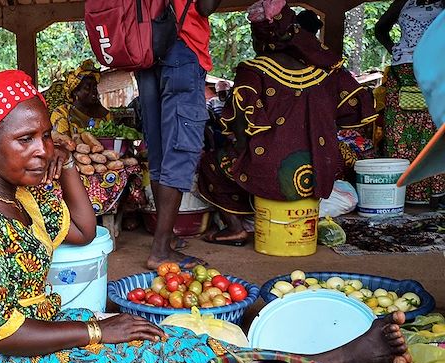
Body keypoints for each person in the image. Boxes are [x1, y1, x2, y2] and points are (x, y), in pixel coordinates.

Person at [0, 70, 412, 363]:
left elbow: (85, 230)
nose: (40, 149)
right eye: (25, 139)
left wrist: (64, 162)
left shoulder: (24, 200)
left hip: (36, 331)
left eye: (46, 135)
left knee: (176, 342)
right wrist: (95, 333)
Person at [197, 1, 378, 245]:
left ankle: (235, 228)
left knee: (212, 163)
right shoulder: (326, 71)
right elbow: (355, 107)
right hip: (318, 173)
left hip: (271, 173)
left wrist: (242, 147)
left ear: (261, 37)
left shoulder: (253, 70)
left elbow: (238, 124)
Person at [135, 0, 222, 270]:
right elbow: (205, 7)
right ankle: (160, 250)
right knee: (180, 151)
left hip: (145, 49)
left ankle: (166, 237)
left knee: (160, 152)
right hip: (181, 48)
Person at [376, 0, 444, 207]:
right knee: (399, 134)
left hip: (434, 72)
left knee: (434, 132)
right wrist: (394, 48)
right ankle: (401, 196)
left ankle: (437, 196)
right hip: (402, 72)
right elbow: (380, 29)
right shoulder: (404, 2)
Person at [50, 60, 112, 137]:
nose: (93, 91)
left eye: (95, 87)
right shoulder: (61, 113)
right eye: (87, 87)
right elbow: (64, 142)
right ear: (75, 91)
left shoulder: (105, 115)